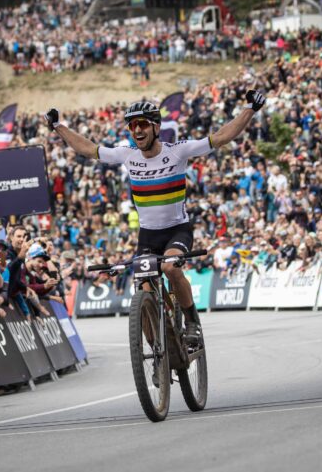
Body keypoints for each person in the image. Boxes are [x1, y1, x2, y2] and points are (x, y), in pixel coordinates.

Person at [45, 90, 267, 343]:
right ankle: (158, 352)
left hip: (177, 230)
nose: (137, 130)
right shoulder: (127, 155)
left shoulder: (178, 151)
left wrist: (250, 108)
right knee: (144, 289)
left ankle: (192, 321)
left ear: (156, 127)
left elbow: (220, 137)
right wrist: (57, 126)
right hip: (148, 235)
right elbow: (87, 149)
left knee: (171, 268)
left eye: (142, 124)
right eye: (132, 125)